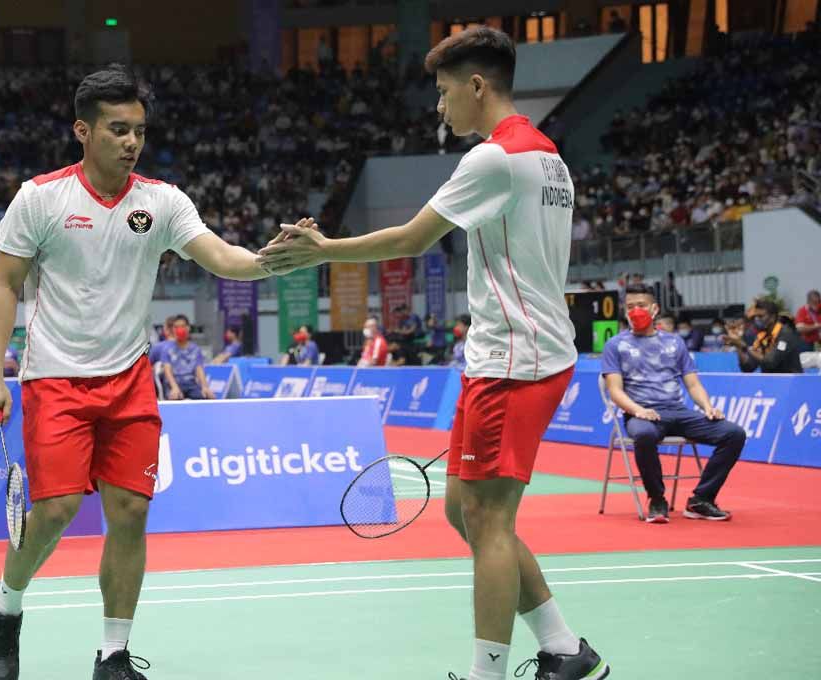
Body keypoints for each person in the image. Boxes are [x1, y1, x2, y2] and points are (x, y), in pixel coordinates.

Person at [257, 27, 608, 680]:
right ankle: (562, 647)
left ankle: (488, 673)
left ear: (478, 86)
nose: (440, 109)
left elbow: (415, 239)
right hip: (515, 354)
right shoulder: (550, 157)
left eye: (446, 93)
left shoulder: (494, 161)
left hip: (515, 361)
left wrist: (322, 250)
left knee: (490, 520)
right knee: (463, 510)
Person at [0, 64, 276, 680]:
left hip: (129, 377)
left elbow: (221, 256)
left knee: (131, 513)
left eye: (138, 129)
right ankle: (7, 606)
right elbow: (4, 286)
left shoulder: (162, 201)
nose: (131, 141)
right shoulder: (40, 198)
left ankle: (113, 654)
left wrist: (274, 260)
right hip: (55, 376)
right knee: (56, 509)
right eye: (117, 129)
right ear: (83, 131)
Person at [602, 285, 746, 523]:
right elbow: (615, 390)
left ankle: (702, 499)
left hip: (678, 412)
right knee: (645, 436)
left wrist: (707, 407)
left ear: (654, 309)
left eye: (641, 306)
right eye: (630, 307)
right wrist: (638, 410)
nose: (636, 311)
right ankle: (657, 500)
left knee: (733, 434)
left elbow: (693, 385)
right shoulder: (615, 345)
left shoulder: (675, 343)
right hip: (641, 414)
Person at [727, 298, 804, 373]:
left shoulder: (786, 334)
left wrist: (744, 347)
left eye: (761, 316)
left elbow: (770, 362)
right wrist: (738, 345)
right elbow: (748, 368)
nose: (757, 319)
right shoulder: (762, 336)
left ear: (772, 317)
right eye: (755, 316)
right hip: (770, 382)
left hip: (792, 382)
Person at [161, 315, 215, 400]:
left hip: (191, 384)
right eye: (176, 327)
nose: (179, 329)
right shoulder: (167, 349)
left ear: (188, 328)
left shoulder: (195, 349)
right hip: (174, 384)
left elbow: (199, 369)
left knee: (207, 397)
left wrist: (205, 387)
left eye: (182, 326)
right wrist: (175, 388)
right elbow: (167, 371)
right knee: (175, 397)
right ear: (173, 330)